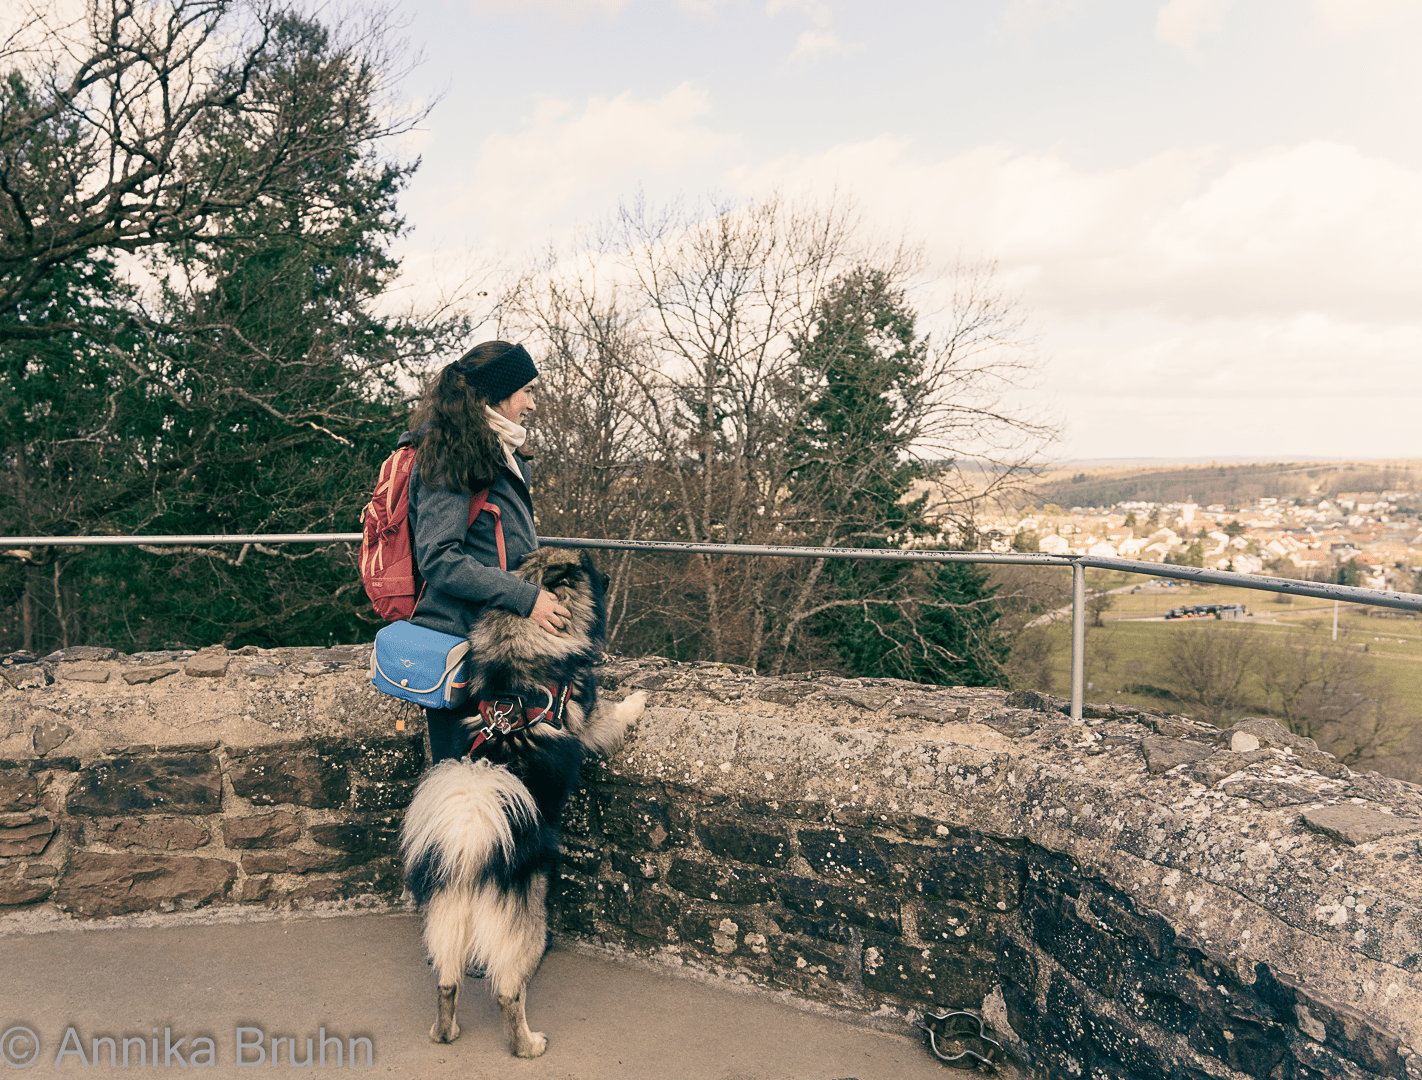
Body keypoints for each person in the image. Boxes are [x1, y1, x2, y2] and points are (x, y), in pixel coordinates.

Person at [401, 340, 570, 763]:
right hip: (461, 645)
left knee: (506, 784)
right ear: (497, 393)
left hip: (500, 645)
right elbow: (439, 557)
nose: (532, 404)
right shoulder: (448, 452)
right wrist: (525, 596)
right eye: (527, 391)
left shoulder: (504, 454)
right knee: (462, 789)